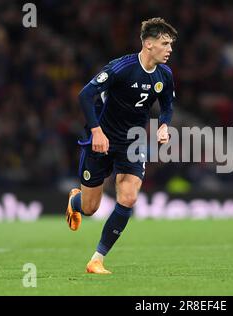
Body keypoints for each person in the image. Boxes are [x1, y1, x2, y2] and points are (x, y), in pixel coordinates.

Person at [65, 17, 177, 274]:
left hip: (133, 142)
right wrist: (96, 132)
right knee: (91, 208)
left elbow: (168, 106)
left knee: (128, 197)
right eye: (164, 43)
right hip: (102, 140)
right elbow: (85, 95)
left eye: (171, 44)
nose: (169, 49)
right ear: (148, 44)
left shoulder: (165, 75)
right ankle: (77, 201)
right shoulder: (121, 68)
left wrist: (163, 125)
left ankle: (97, 259)